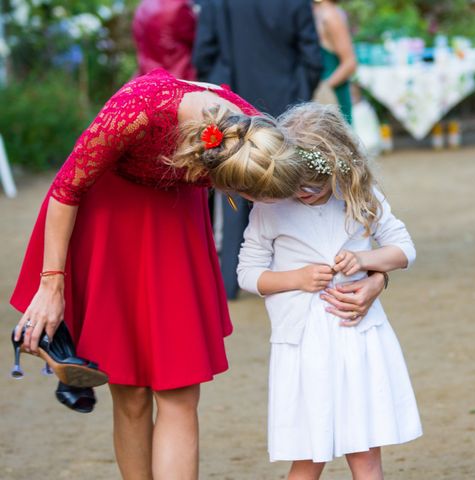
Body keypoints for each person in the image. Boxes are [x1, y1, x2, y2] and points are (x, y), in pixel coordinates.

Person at [9, 67, 307, 479]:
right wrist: (52, 284)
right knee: (130, 393)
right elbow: (66, 188)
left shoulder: (257, 136)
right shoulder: (138, 110)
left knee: (179, 388)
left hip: (173, 223)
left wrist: (369, 269)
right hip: (110, 218)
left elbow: (327, 173)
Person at [237, 103, 422, 479]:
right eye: (296, 184)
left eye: (314, 185)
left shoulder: (358, 193)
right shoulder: (270, 207)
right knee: (308, 458)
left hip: (357, 338)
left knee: (365, 453)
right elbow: (247, 273)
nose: (303, 193)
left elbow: (404, 249)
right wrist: (296, 279)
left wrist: (367, 260)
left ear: (338, 167)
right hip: (303, 345)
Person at [193, 0, 324, 299]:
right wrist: (298, 99)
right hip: (284, 107)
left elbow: (203, 55)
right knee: (286, 186)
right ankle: (293, 270)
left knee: (234, 189)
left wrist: (222, 99)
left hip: (233, 104)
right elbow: (312, 58)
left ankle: (230, 281)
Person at [312, 0, 357, 123]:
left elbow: (350, 63)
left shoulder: (329, 15)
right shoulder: (312, 11)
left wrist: (323, 88)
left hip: (332, 96)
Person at [133, 0, 198, 79]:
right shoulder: (179, 7)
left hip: (147, 75)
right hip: (176, 76)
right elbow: (196, 38)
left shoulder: (143, 7)